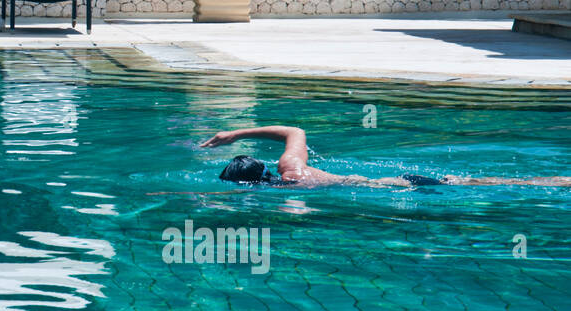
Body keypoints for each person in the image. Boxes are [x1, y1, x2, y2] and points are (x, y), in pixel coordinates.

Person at [199, 125, 571, 188]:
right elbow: (294, 132)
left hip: (398, 186)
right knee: (474, 182)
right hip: (397, 183)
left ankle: (557, 181)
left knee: (485, 183)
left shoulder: (290, 179)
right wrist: (238, 133)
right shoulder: (288, 167)